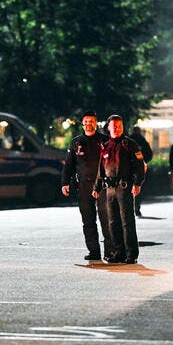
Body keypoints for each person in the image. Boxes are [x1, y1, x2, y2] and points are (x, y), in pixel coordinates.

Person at [92, 115, 145, 264]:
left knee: (127, 222)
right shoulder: (106, 146)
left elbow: (139, 166)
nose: (116, 128)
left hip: (124, 188)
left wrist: (137, 184)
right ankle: (118, 252)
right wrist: (96, 187)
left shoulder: (130, 145)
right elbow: (100, 169)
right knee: (112, 222)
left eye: (119, 126)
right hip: (109, 189)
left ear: (122, 127)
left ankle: (131, 254)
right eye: (114, 126)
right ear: (108, 127)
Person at [61, 111, 112, 261]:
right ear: (82, 124)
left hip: (103, 186)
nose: (88, 124)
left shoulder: (105, 140)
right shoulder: (76, 142)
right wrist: (65, 182)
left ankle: (110, 251)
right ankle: (94, 251)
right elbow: (69, 164)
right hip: (83, 186)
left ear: (96, 123)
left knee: (106, 220)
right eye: (86, 121)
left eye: (91, 121)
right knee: (88, 221)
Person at [129, 125, 153, 217]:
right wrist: (143, 161)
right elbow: (149, 154)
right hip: (140, 168)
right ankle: (137, 208)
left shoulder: (128, 140)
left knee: (128, 189)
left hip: (129, 168)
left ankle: (132, 208)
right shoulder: (143, 141)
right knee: (138, 187)